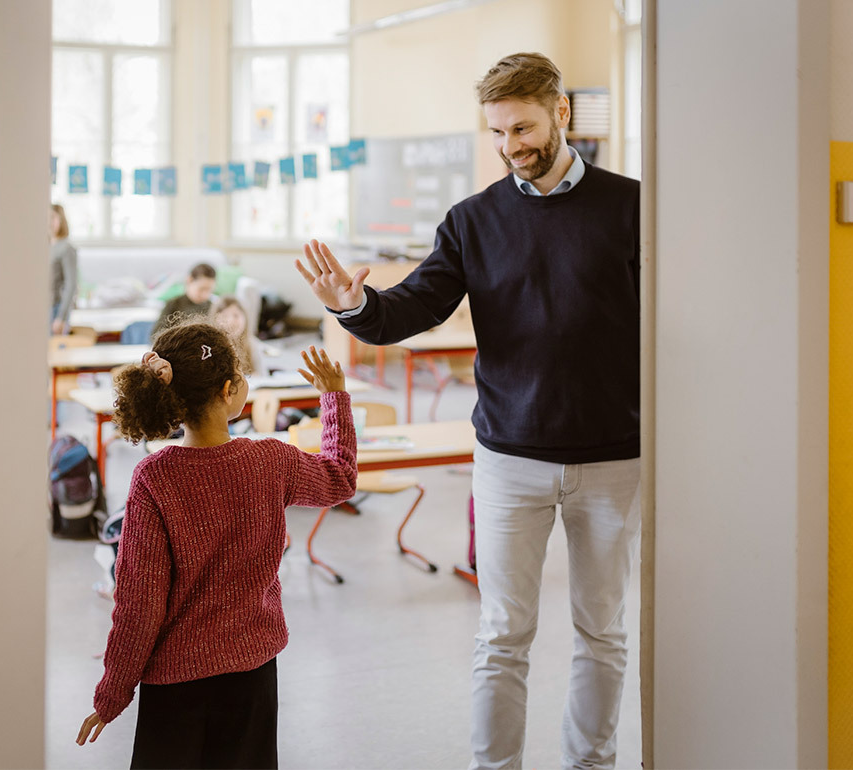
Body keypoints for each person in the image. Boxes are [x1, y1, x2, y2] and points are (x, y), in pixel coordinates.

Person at [295, 52, 640, 770]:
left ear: (562, 113)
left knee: (602, 632)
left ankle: (593, 764)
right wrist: (352, 305)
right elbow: (410, 308)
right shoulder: (474, 220)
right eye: (498, 132)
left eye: (525, 127)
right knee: (502, 635)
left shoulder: (632, 207)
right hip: (510, 458)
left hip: (614, 459)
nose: (513, 146)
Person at [74, 321, 357, 769]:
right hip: (252, 676)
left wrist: (112, 693)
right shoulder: (271, 461)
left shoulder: (155, 478)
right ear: (229, 390)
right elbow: (340, 478)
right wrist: (334, 396)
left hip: (175, 686)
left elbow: (138, 605)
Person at [152, 263, 218, 337]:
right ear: (189, 280)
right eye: (201, 289)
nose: (205, 295)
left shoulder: (212, 307)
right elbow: (156, 335)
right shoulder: (174, 304)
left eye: (209, 290)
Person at [213, 296, 264, 375]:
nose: (231, 321)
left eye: (236, 315)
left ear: (245, 318)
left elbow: (263, 375)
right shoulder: (212, 346)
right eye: (224, 316)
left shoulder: (252, 344)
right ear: (215, 319)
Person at [49, 203, 78, 334]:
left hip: (56, 309)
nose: (49, 222)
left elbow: (71, 285)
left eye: (53, 218)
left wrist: (61, 318)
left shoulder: (66, 249)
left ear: (61, 220)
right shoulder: (46, 246)